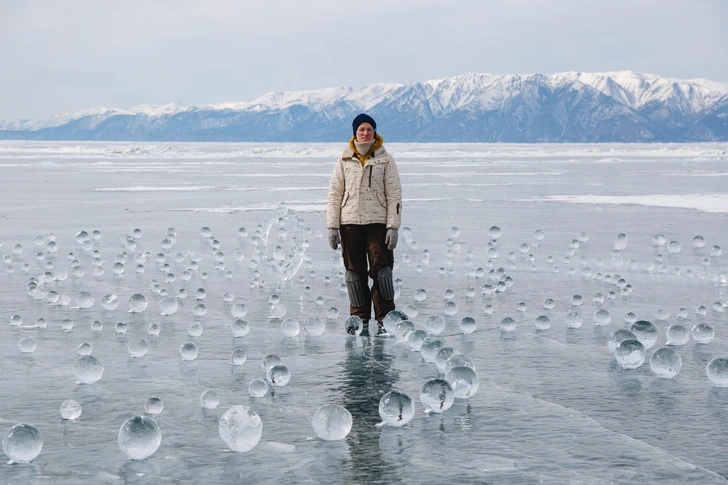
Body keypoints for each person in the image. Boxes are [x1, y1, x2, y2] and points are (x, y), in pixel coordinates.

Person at [327, 113, 402, 335]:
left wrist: (393, 226)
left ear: (375, 132)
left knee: (382, 271)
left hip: (377, 223)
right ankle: (360, 318)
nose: (365, 132)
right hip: (349, 223)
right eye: (361, 129)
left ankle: (385, 317)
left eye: (369, 129)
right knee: (354, 273)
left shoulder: (385, 159)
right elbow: (334, 194)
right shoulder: (344, 159)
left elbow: (395, 195)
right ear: (355, 133)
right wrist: (332, 226)